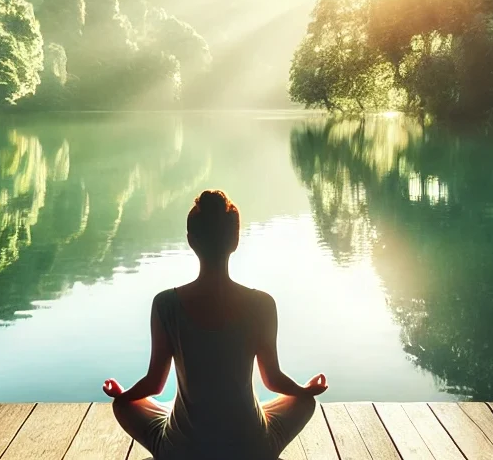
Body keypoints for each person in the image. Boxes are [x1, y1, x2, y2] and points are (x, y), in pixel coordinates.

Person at [103, 189, 328, 460]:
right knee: (304, 403)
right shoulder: (262, 304)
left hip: (184, 450)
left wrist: (123, 394)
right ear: (235, 240)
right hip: (250, 448)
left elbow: (154, 385)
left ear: (191, 241)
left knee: (123, 407)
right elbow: (273, 380)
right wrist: (305, 390)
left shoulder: (166, 304)